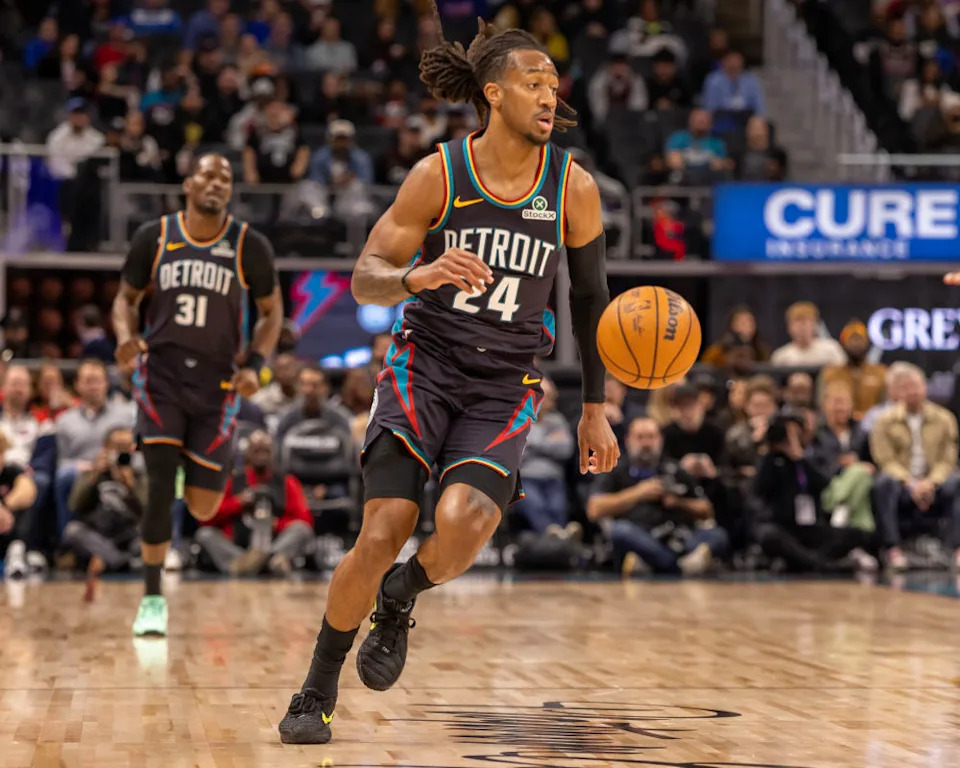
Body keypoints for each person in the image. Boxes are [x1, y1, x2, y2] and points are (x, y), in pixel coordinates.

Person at [279, 5, 618, 745]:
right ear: (493, 92)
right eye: (534, 82)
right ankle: (317, 686)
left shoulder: (573, 187)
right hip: (422, 367)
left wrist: (597, 406)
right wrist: (418, 273)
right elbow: (365, 278)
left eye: (555, 85)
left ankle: (400, 597)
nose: (548, 96)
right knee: (384, 529)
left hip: (505, 382)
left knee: (465, 527)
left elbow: (592, 299)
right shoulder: (439, 173)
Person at [113, 153, 283, 637]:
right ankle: (151, 598)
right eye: (208, 174)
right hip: (161, 377)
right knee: (160, 484)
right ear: (187, 183)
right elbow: (124, 299)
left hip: (218, 385)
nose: (217, 183)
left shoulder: (249, 245)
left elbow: (273, 312)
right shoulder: (156, 236)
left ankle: (191, 464)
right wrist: (126, 336)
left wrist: (256, 364)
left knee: (204, 506)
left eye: (226, 179)